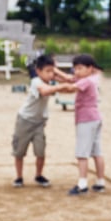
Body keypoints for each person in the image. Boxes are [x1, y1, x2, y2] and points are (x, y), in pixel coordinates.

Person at [11, 54, 72, 188]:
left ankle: (38, 175)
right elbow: (45, 91)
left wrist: (60, 75)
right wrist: (62, 86)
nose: (51, 74)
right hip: (25, 120)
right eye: (47, 71)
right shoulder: (36, 81)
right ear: (38, 71)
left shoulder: (50, 80)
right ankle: (19, 177)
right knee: (19, 152)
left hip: (39, 122)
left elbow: (69, 80)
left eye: (52, 71)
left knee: (40, 151)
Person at [56, 53, 107, 195]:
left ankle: (82, 184)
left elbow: (70, 87)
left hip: (86, 119)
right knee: (97, 152)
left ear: (90, 68)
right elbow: (69, 79)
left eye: (80, 68)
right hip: (95, 118)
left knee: (82, 153)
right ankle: (100, 182)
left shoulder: (86, 81)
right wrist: (55, 72)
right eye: (75, 68)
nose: (76, 71)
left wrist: (54, 88)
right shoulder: (93, 77)